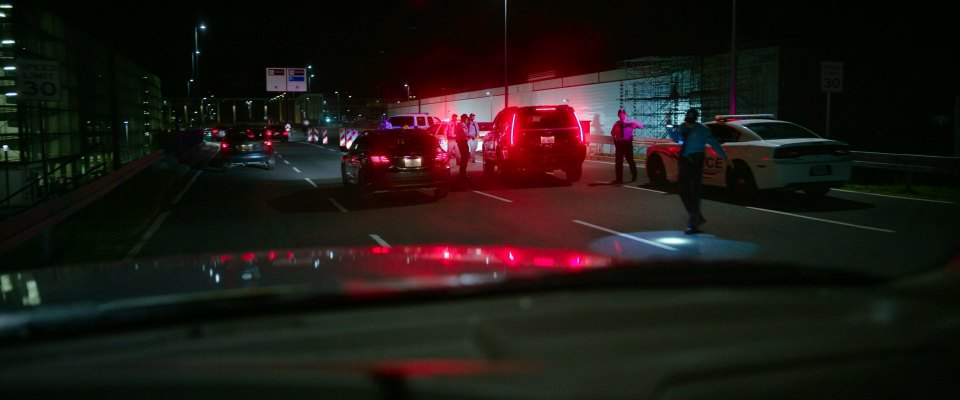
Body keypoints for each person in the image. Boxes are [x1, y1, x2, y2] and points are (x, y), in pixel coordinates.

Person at [667, 108, 728, 235]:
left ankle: (693, 223)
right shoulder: (683, 127)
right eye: (687, 119)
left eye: (690, 119)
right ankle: (696, 216)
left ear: (695, 119)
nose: (688, 122)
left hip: (696, 161)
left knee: (694, 192)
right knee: (683, 191)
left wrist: (725, 157)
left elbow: (714, 143)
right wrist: (668, 125)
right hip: (684, 160)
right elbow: (677, 138)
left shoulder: (702, 130)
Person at [610, 109, 644, 184]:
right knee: (618, 162)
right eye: (620, 114)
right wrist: (615, 140)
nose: (621, 115)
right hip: (619, 144)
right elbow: (612, 133)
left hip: (627, 144)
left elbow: (642, 126)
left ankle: (634, 175)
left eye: (622, 114)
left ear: (625, 114)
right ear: (618, 115)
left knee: (630, 160)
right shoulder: (617, 123)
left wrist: (632, 124)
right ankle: (619, 179)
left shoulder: (630, 122)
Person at [456, 114, 471, 179]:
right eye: (467, 119)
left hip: (461, 142)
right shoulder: (462, 125)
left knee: (464, 157)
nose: (468, 120)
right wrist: (469, 136)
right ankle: (462, 173)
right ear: (465, 119)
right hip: (462, 142)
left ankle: (462, 172)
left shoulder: (460, 124)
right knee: (465, 157)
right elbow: (464, 134)